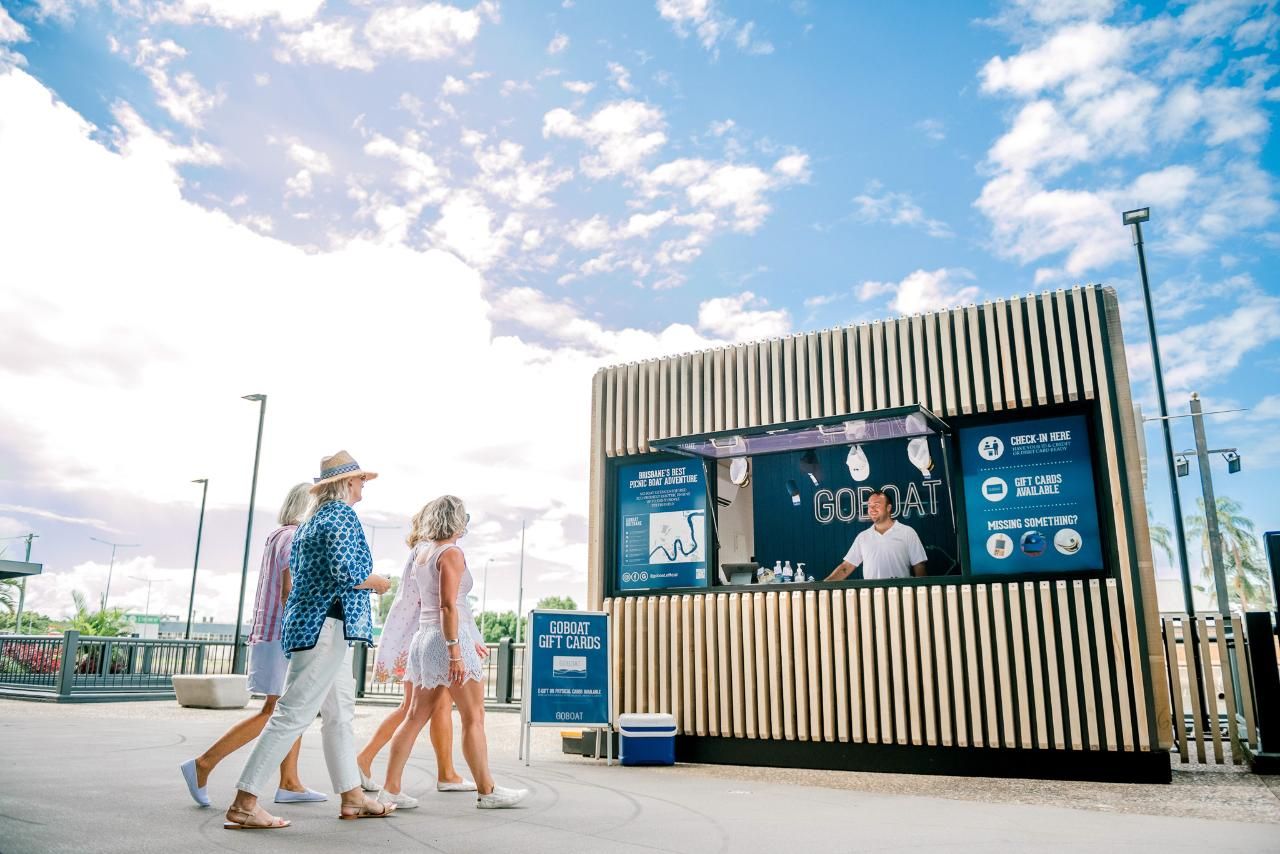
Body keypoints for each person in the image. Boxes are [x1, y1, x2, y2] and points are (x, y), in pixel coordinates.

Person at [223, 451, 395, 830]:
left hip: (313, 624)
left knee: (338, 713)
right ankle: (245, 802)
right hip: (328, 625)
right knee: (294, 712)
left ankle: (352, 796)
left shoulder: (312, 520)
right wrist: (378, 582)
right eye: (360, 480)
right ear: (347, 483)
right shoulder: (341, 516)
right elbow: (347, 571)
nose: (364, 485)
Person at [180, 483, 327, 808]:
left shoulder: (277, 535)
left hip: (269, 632)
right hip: (283, 635)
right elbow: (291, 590)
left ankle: (290, 782)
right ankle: (203, 764)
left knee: (291, 708)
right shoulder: (293, 538)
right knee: (276, 711)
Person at [378, 495, 527, 810]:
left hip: (424, 636)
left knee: (415, 715)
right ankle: (488, 790)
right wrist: (456, 650)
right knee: (474, 717)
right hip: (447, 640)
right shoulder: (452, 553)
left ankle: (389, 790)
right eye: (465, 517)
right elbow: (448, 605)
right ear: (456, 520)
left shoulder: (423, 553)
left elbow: (434, 603)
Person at [354, 504, 480, 799]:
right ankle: (364, 760)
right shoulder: (435, 552)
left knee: (431, 707)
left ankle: (446, 773)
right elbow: (441, 603)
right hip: (429, 636)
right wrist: (461, 640)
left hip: (422, 635)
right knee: (413, 709)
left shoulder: (423, 550)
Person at [824, 490, 927, 581]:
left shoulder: (907, 532)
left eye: (877, 505)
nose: (872, 509)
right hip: (872, 598)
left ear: (888, 507)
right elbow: (847, 566)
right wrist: (824, 586)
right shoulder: (863, 537)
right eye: (869, 505)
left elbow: (919, 566)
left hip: (901, 595)